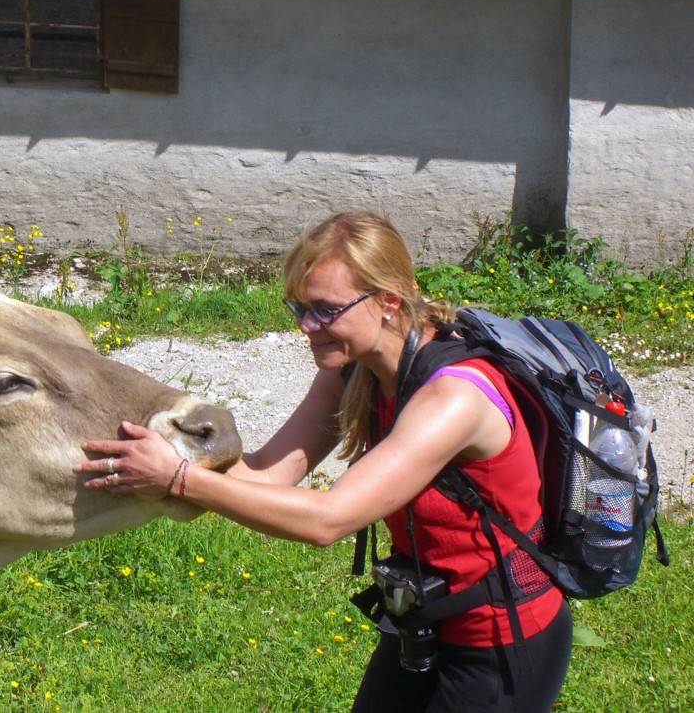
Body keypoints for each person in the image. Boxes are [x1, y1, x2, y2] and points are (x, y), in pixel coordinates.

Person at [75, 211, 573, 712]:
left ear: (389, 300)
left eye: (325, 310)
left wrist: (178, 480)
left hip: (502, 641)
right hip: (421, 624)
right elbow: (269, 474)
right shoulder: (354, 371)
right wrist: (176, 438)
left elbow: (328, 520)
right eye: (298, 308)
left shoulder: (455, 398)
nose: (306, 327)